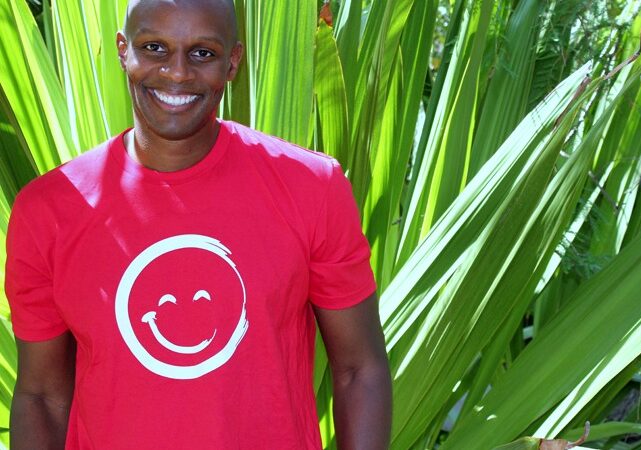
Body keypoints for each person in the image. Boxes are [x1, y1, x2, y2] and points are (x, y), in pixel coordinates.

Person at [4, 0, 392, 448]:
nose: (178, 72)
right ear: (123, 50)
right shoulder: (49, 210)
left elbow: (358, 370)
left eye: (202, 53)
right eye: (154, 47)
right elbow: (41, 395)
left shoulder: (310, 188)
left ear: (233, 62)